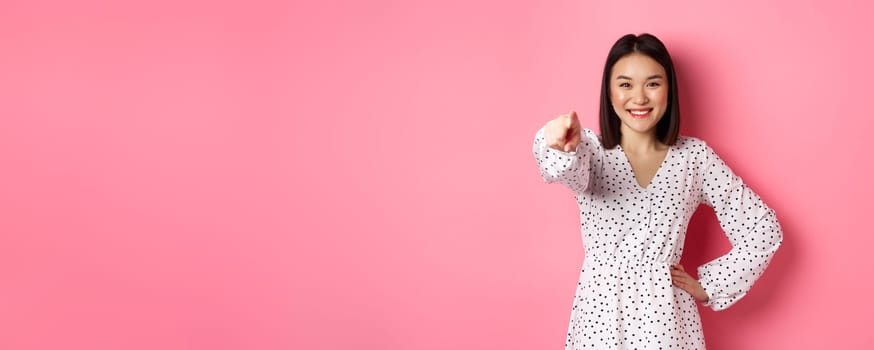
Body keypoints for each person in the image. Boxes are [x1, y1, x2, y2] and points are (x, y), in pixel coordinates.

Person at [532, 33, 783, 349]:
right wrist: (554, 142)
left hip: (666, 319)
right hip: (600, 318)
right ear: (609, 93)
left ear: (669, 91)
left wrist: (712, 286)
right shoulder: (589, 151)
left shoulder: (694, 158)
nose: (639, 97)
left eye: (652, 83)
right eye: (625, 84)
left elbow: (762, 229)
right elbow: (558, 167)